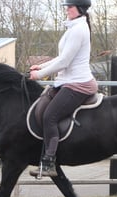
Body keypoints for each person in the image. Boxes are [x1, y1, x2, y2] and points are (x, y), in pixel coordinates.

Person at [29, 0, 98, 177]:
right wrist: (41, 66)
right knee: (42, 106)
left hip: (78, 84)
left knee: (50, 116)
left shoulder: (79, 30)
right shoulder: (74, 28)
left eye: (70, 6)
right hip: (67, 81)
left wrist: (40, 74)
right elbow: (62, 57)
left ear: (80, 9)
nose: (66, 9)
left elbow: (64, 62)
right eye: (67, 6)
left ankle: (49, 162)